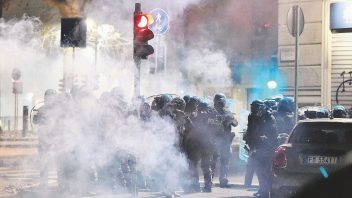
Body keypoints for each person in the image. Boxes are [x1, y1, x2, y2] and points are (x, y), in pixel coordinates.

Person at [246, 100, 278, 198]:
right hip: (255, 147)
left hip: (267, 147)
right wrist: (248, 140)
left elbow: (273, 133)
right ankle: (262, 189)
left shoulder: (269, 118)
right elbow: (250, 130)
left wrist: (265, 137)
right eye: (252, 107)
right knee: (258, 170)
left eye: (255, 107)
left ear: (261, 107)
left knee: (266, 171)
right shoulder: (252, 117)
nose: (253, 109)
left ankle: (266, 192)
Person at [184, 100, 217, 193]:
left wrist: (189, 120)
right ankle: (207, 186)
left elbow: (194, 128)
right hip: (206, 145)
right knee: (205, 165)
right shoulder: (212, 117)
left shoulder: (198, 116)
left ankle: (196, 186)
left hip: (199, 145)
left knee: (194, 165)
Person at [33, 89, 58, 189]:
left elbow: (34, 121)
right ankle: (63, 185)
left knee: (45, 164)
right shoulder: (57, 109)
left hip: (50, 140)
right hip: (49, 140)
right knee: (48, 164)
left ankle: (44, 185)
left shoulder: (42, 109)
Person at [212, 93, 238, 188]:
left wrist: (230, 119)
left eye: (221, 102)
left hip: (225, 141)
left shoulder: (227, 113)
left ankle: (223, 179)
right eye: (219, 102)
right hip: (215, 141)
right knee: (212, 161)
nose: (220, 104)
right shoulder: (211, 112)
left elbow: (235, 123)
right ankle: (209, 180)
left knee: (224, 161)